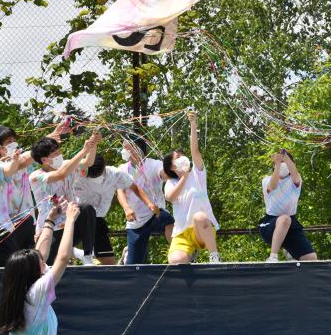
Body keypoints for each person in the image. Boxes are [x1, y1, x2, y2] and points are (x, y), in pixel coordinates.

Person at [0, 201, 79, 335]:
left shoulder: (23, 295)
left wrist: (50, 220)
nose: (43, 262)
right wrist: (70, 220)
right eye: (40, 262)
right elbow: (63, 258)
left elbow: (40, 253)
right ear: (31, 271)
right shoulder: (35, 296)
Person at [0, 125, 67, 251]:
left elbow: (31, 159)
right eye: (9, 142)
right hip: (5, 224)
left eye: (14, 140)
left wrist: (49, 141)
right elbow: (20, 163)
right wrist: (45, 140)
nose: (14, 143)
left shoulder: (25, 164)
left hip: (27, 220)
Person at [29, 131, 100, 265]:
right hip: (51, 229)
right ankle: (71, 252)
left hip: (70, 224)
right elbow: (61, 174)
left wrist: (93, 144)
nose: (59, 155)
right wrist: (84, 150)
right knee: (45, 265)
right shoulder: (35, 176)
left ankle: (87, 255)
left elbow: (88, 162)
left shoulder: (66, 165)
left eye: (58, 151)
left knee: (86, 209)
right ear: (44, 160)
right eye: (55, 153)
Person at [73, 154, 159, 265]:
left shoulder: (115, 174)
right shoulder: (76, 173)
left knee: (109, 263)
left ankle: (83, 254)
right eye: (91, 177)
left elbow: (134, 187)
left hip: (98, 220)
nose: (95, 180)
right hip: (76, 217)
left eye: (97, 176)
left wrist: (150, 204)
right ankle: (84, 253)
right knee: (58, 247)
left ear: (104, 167)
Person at [163, 112, 220, 264]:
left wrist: (193, 124)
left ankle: (214, 256)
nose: (183, 158)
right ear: (171, 166)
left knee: (200, 217)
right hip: (181, 233)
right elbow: (171, 197)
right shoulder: (171, 183)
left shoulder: (198, 173)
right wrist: (184, 177)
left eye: (183, 155)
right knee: (176, 261)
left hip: (202, 229)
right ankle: (190, 255)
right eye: (178, 157)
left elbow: (195, 151)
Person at [117, 135, 173, 264]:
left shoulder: (154, 164)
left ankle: (178, 250)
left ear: (136, 149)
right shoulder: (122, 169)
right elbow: (120, 191)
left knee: (168, 220)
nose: (123, 150)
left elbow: (164, 173)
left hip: (154, 212)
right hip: (136, 219)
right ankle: (129, 254)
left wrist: (171, 173)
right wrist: (127, 208)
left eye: (126, 147)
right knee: (133, 265)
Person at [259, 150, 317, 262]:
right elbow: (274, 185)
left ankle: (289, 250)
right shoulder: (266, 180)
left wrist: (287, 158)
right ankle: (273, 256)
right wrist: (278, 163)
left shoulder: (296, 180)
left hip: (291, 224)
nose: (283, 166)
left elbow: (295, 175)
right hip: (270, 223)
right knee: (284, 219)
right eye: (280, 163)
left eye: (285, 163)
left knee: (311, 258)